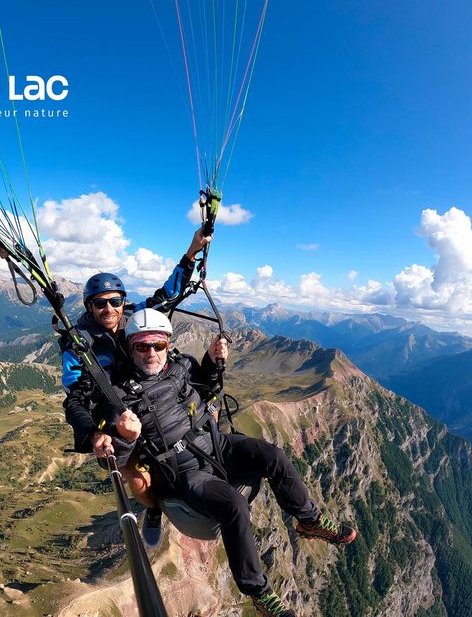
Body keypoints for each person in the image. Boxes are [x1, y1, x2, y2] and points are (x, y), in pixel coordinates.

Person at [96, 308, 357, 617]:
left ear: (168, 344)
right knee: (235, 505)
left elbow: (205, 383)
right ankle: (258, 591)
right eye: (142, 345)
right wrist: (126, 437)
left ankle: (309, 520)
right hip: (185, 472)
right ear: (130, 347)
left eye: (158, 345)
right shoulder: (118, 397)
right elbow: (112, 461)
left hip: (217, 445)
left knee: (272, 455)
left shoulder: (179, 366)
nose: (151, 352)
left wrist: (211, 358)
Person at [60, 228, 210, 548]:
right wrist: (92, 434)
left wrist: (191, 252)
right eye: (100, 304)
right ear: (89, 307)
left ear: (123, 301)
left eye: (115, 301)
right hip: (117, 413)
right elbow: (75, 398)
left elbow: (167, 296)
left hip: (151, 395)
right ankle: (153, 509)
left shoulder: (135, 317)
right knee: (140, 479)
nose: (109, 309)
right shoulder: (80, 345)